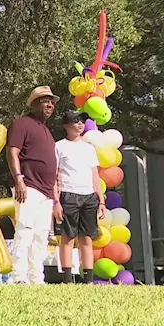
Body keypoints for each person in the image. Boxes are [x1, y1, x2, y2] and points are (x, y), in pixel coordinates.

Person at [6, 86, 60, 284]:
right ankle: (19, 277)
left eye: (52, 102)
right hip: (28, 185)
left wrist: (55, 197)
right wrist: (19, 178)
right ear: (35, 103)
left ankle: (37, 278)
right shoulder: (21, 124)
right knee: (25, 230)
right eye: (46, 101)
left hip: (46, 192)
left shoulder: (46, 130)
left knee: (41, 235)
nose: (50, 105)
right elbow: (12, 152)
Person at [53, 111, 106, 284]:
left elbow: (95, 175)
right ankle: (68, 279)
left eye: (82, 121)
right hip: (68, 194)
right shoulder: (58, 146)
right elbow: (54, 176)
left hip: (88, 196)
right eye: (75, 121)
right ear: (66, 125)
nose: (80, 124)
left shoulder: (89, 147)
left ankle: (88, 280)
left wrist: (101, 200)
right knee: (67, 238)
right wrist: (56, 202)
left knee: (86, 238)